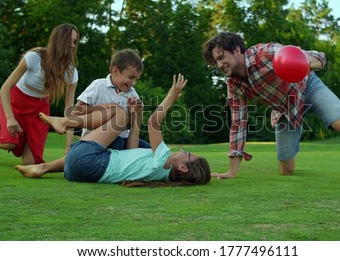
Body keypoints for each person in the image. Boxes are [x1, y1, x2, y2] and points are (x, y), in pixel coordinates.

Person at [202, 32, 340, 190]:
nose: (219, 64)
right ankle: (297, 137)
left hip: (308, 88)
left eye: (222, 57)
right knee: (286, 170)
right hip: (285, 110)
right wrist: (232, 171)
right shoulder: (234, 85)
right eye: (216, 61)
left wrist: (304, 62)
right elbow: (238, 124)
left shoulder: (266, 53)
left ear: (238, 50)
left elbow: (318, 56)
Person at [37, 74, 211, 187]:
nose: (182, 150)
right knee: (119, 117)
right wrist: (136, 115)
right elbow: (131, 150)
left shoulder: (163, 158)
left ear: (182, 167)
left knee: (118, 113)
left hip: (87, 161)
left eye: (187, 153)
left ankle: (66, 122)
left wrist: (172, 96)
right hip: (76, 172)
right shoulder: (160, 175)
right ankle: (43, 167)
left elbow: (153, 123)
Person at [15, 49, 151, 178]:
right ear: (115, 71)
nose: (133, 83)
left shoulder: (132, 94)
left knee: (153, 152)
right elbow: (76, 112)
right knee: (113, 141)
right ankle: (44, 166)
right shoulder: (99, 85)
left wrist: (135, 113)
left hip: (123, 139)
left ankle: (42, 168)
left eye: (136, 79)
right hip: (97, 140)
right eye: (131, 77)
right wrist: (104, 108)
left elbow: (130, 126)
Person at [0, 23, 80, 165]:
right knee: (9, 142)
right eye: (69, 41)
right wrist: (10, 118)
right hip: (16, 101)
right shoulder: (34, 58)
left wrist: (68, 146)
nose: (72, 45)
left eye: (75, 42)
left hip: (40, 110)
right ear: (58, 41)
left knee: (30, 162)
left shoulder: (71, 73)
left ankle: (14, 145)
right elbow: (5, 88)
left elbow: (69, 112)